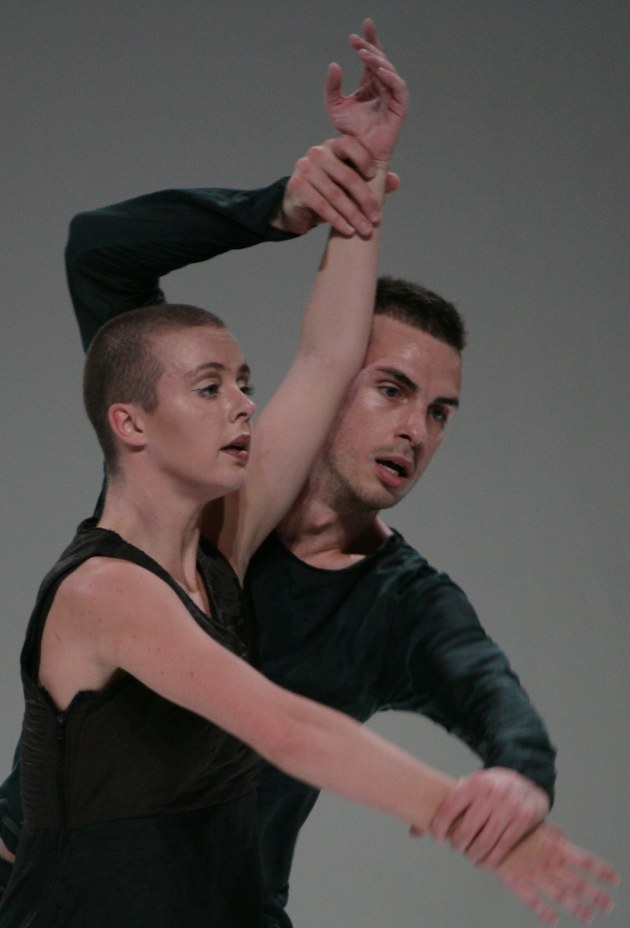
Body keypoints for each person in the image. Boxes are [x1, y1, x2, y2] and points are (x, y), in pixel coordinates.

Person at [0, 23, 618, 928]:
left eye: (246, 386)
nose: (246, 405)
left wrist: (363, 177)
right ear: (131, 424)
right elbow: (288, 727)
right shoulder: (133, 571)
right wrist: (278, 207)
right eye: (212, 387)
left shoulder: (241, 552)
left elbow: (330, 351)